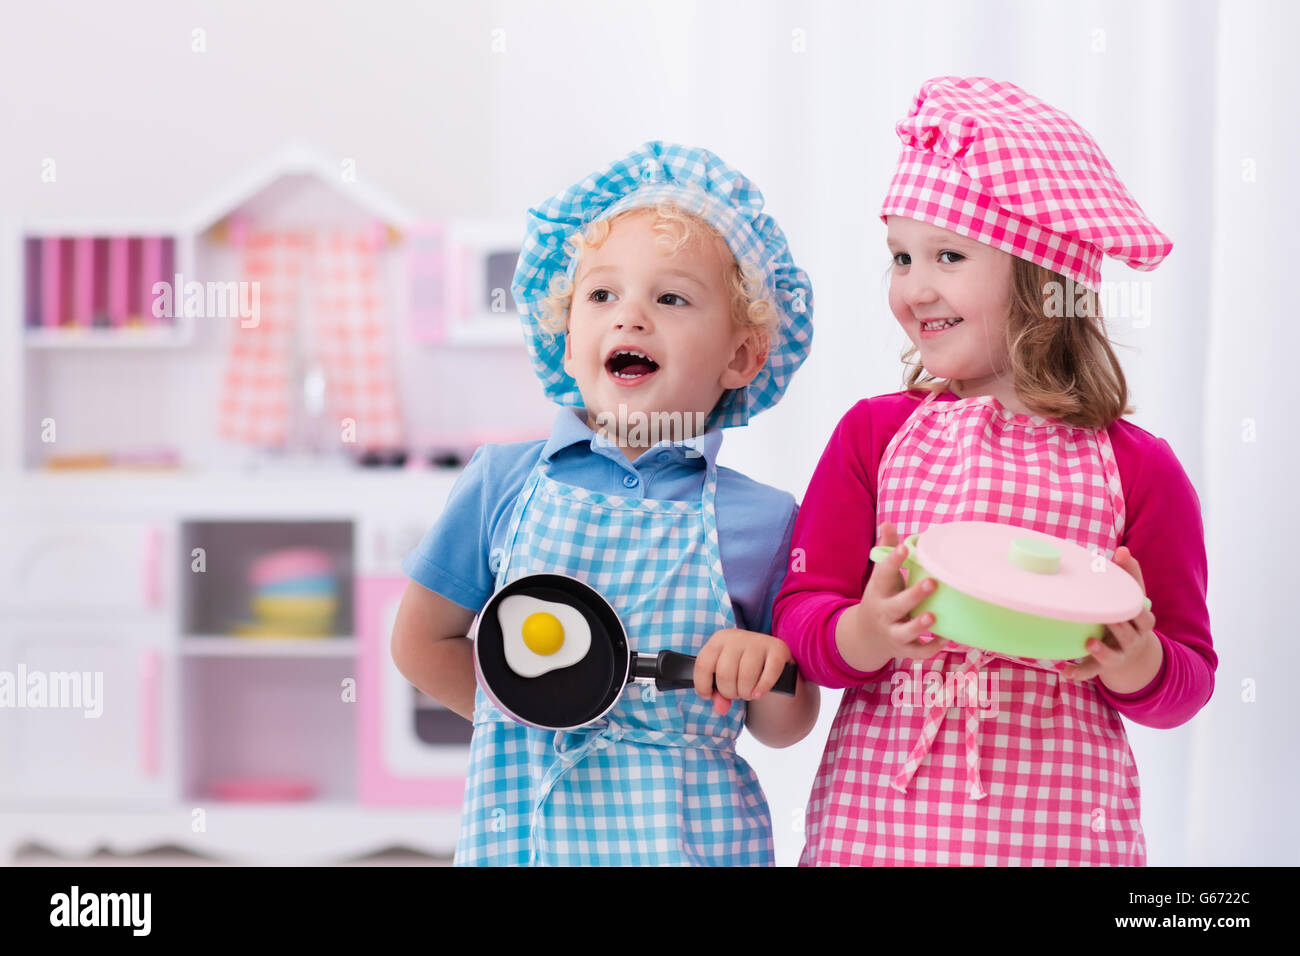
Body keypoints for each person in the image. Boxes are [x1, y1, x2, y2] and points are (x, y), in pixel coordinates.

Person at [774, 77, 1215, 866]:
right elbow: (803, 620)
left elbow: (1189, 675)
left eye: (948, 254)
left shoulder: (1139, 469)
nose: (914, 287)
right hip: (879, 833)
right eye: (900, 257)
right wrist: (865, 633)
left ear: (1045, 282)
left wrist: (1139, 662)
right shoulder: (876, 436)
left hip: (1061, 839)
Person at [392, 141, 819, 865]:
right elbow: (419, 642)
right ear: (565, 338)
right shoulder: (503, 481)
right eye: (601, 295)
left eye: (672, 297)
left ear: (741, 356)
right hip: (528, 836)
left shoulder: (767, 520)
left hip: (691, 840)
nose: (630, 318)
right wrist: (529, 708)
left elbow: (786, 723)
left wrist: (766, 664)